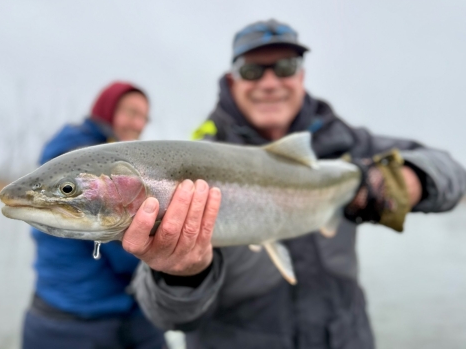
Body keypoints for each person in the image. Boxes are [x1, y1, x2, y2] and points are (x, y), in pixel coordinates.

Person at [122, 20, 466, 349]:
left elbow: (452, 172)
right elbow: (166, 315)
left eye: (285, 66)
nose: (269, 82)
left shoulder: (347, 145)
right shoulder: (193, 160)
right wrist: (180, 275)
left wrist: (406, 180)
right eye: (253, 70)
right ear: (232, 79)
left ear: (301, 75)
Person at [23, 81, 166, 349]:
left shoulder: (117, 160)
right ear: (107, 109)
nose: (137, 123)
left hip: (128, 313)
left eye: (143, 117)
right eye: (130, 112)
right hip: (70, 322)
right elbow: (127, 255)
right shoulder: (80, 160)